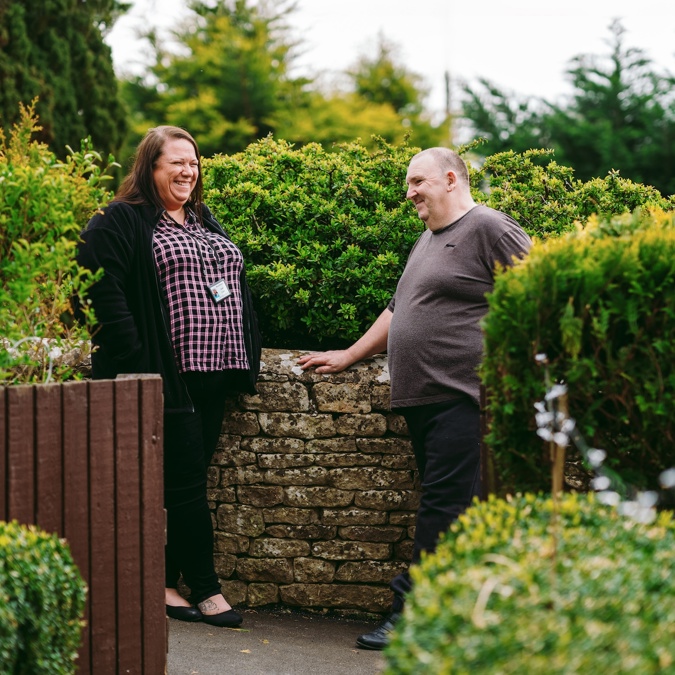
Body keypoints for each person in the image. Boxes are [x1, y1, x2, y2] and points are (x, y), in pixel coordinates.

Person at [298, 147, 531, 650]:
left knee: (442, 510)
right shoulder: (427, 239)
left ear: (450, 179)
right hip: (425, 401)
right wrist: (347, 355)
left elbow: (536, 298)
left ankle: (411, 616)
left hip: (467, 397)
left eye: (416, 181)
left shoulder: (490, 228)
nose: (409, 193)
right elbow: (397, 309)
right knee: (458, 512)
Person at [75, 126, 261, 627]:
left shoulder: (202, 219)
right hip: (166, 376)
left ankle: (161, 582)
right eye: (175, 162)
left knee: (186, 481)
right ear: (149, 168)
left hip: (216, 373)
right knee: (185, 487)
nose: (187, 172)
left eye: (194, 163)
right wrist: (135, 354)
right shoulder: (124, 219)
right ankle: (206, 589)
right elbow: (96, 282)